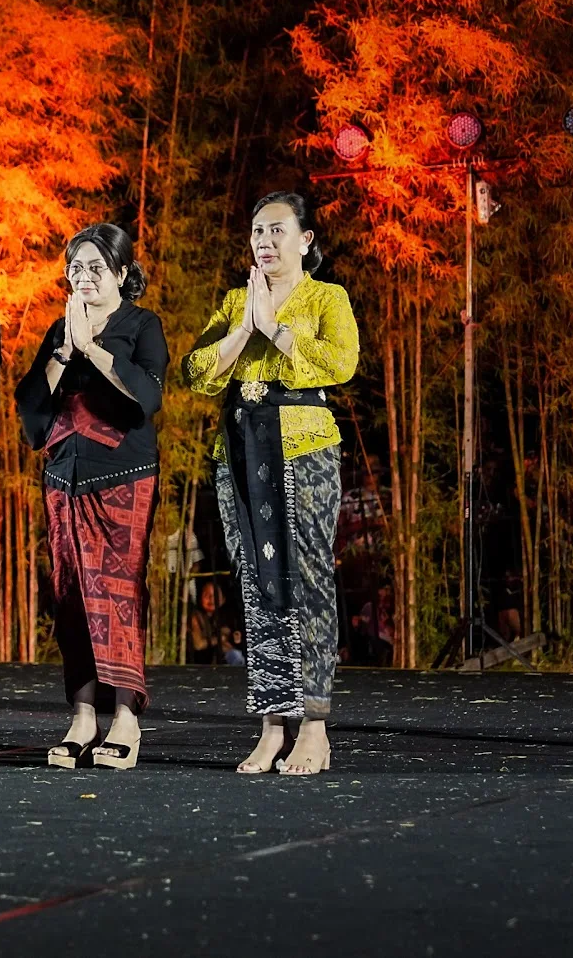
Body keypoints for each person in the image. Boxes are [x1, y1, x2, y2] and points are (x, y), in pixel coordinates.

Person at [182, 191, 359, 776]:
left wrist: (276, 330)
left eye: (277, 230)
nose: (265, 241)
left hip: (303, 449)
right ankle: (271, 724)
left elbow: (341, 363)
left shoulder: (327, 297)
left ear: (305, 240)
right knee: (256, 585)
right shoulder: (237, 300)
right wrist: (244, 329)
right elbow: (196, 371)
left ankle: (314, 725)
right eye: (257, 231)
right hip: (238, 451)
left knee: (306, 580)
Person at [15, 223, 167, 770]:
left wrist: (93, 350)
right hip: (64, 478)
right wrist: (64, 352)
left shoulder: (141, 325)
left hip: (122, 475)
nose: (83, 277)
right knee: (71, 596)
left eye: (95, 268)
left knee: (118, 594)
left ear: (122, 274)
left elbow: (147, 396)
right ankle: (82, 716)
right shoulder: (61, 327)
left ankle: (125, 717)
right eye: (75, 268)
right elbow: (30, 412)